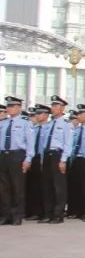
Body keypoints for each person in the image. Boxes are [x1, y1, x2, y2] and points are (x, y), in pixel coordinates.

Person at [38, 95, 73, 223]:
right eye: (52, 105)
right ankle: (48, 213)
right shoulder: (49, 124)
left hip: (58, 155)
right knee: (47, 186)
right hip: (48, 155)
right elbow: (43, 144)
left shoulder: (66, 124)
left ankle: (58, 214)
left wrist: (63, 160)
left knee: (58, 186)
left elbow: (68, 143)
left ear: (62, 107)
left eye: (56, 106)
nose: (53, 108)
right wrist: (42, 160)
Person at [0, 96, 32, 225]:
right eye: (8, 106)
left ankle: (17, 215)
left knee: (17, 187)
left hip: (17, 155)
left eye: (12, 106)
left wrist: (28, 159)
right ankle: (5, 214)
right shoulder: (3, 123)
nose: (9, 108)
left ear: (19, 107)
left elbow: (30, 143)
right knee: (4, 188)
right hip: (3, 156)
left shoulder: (25, 123)